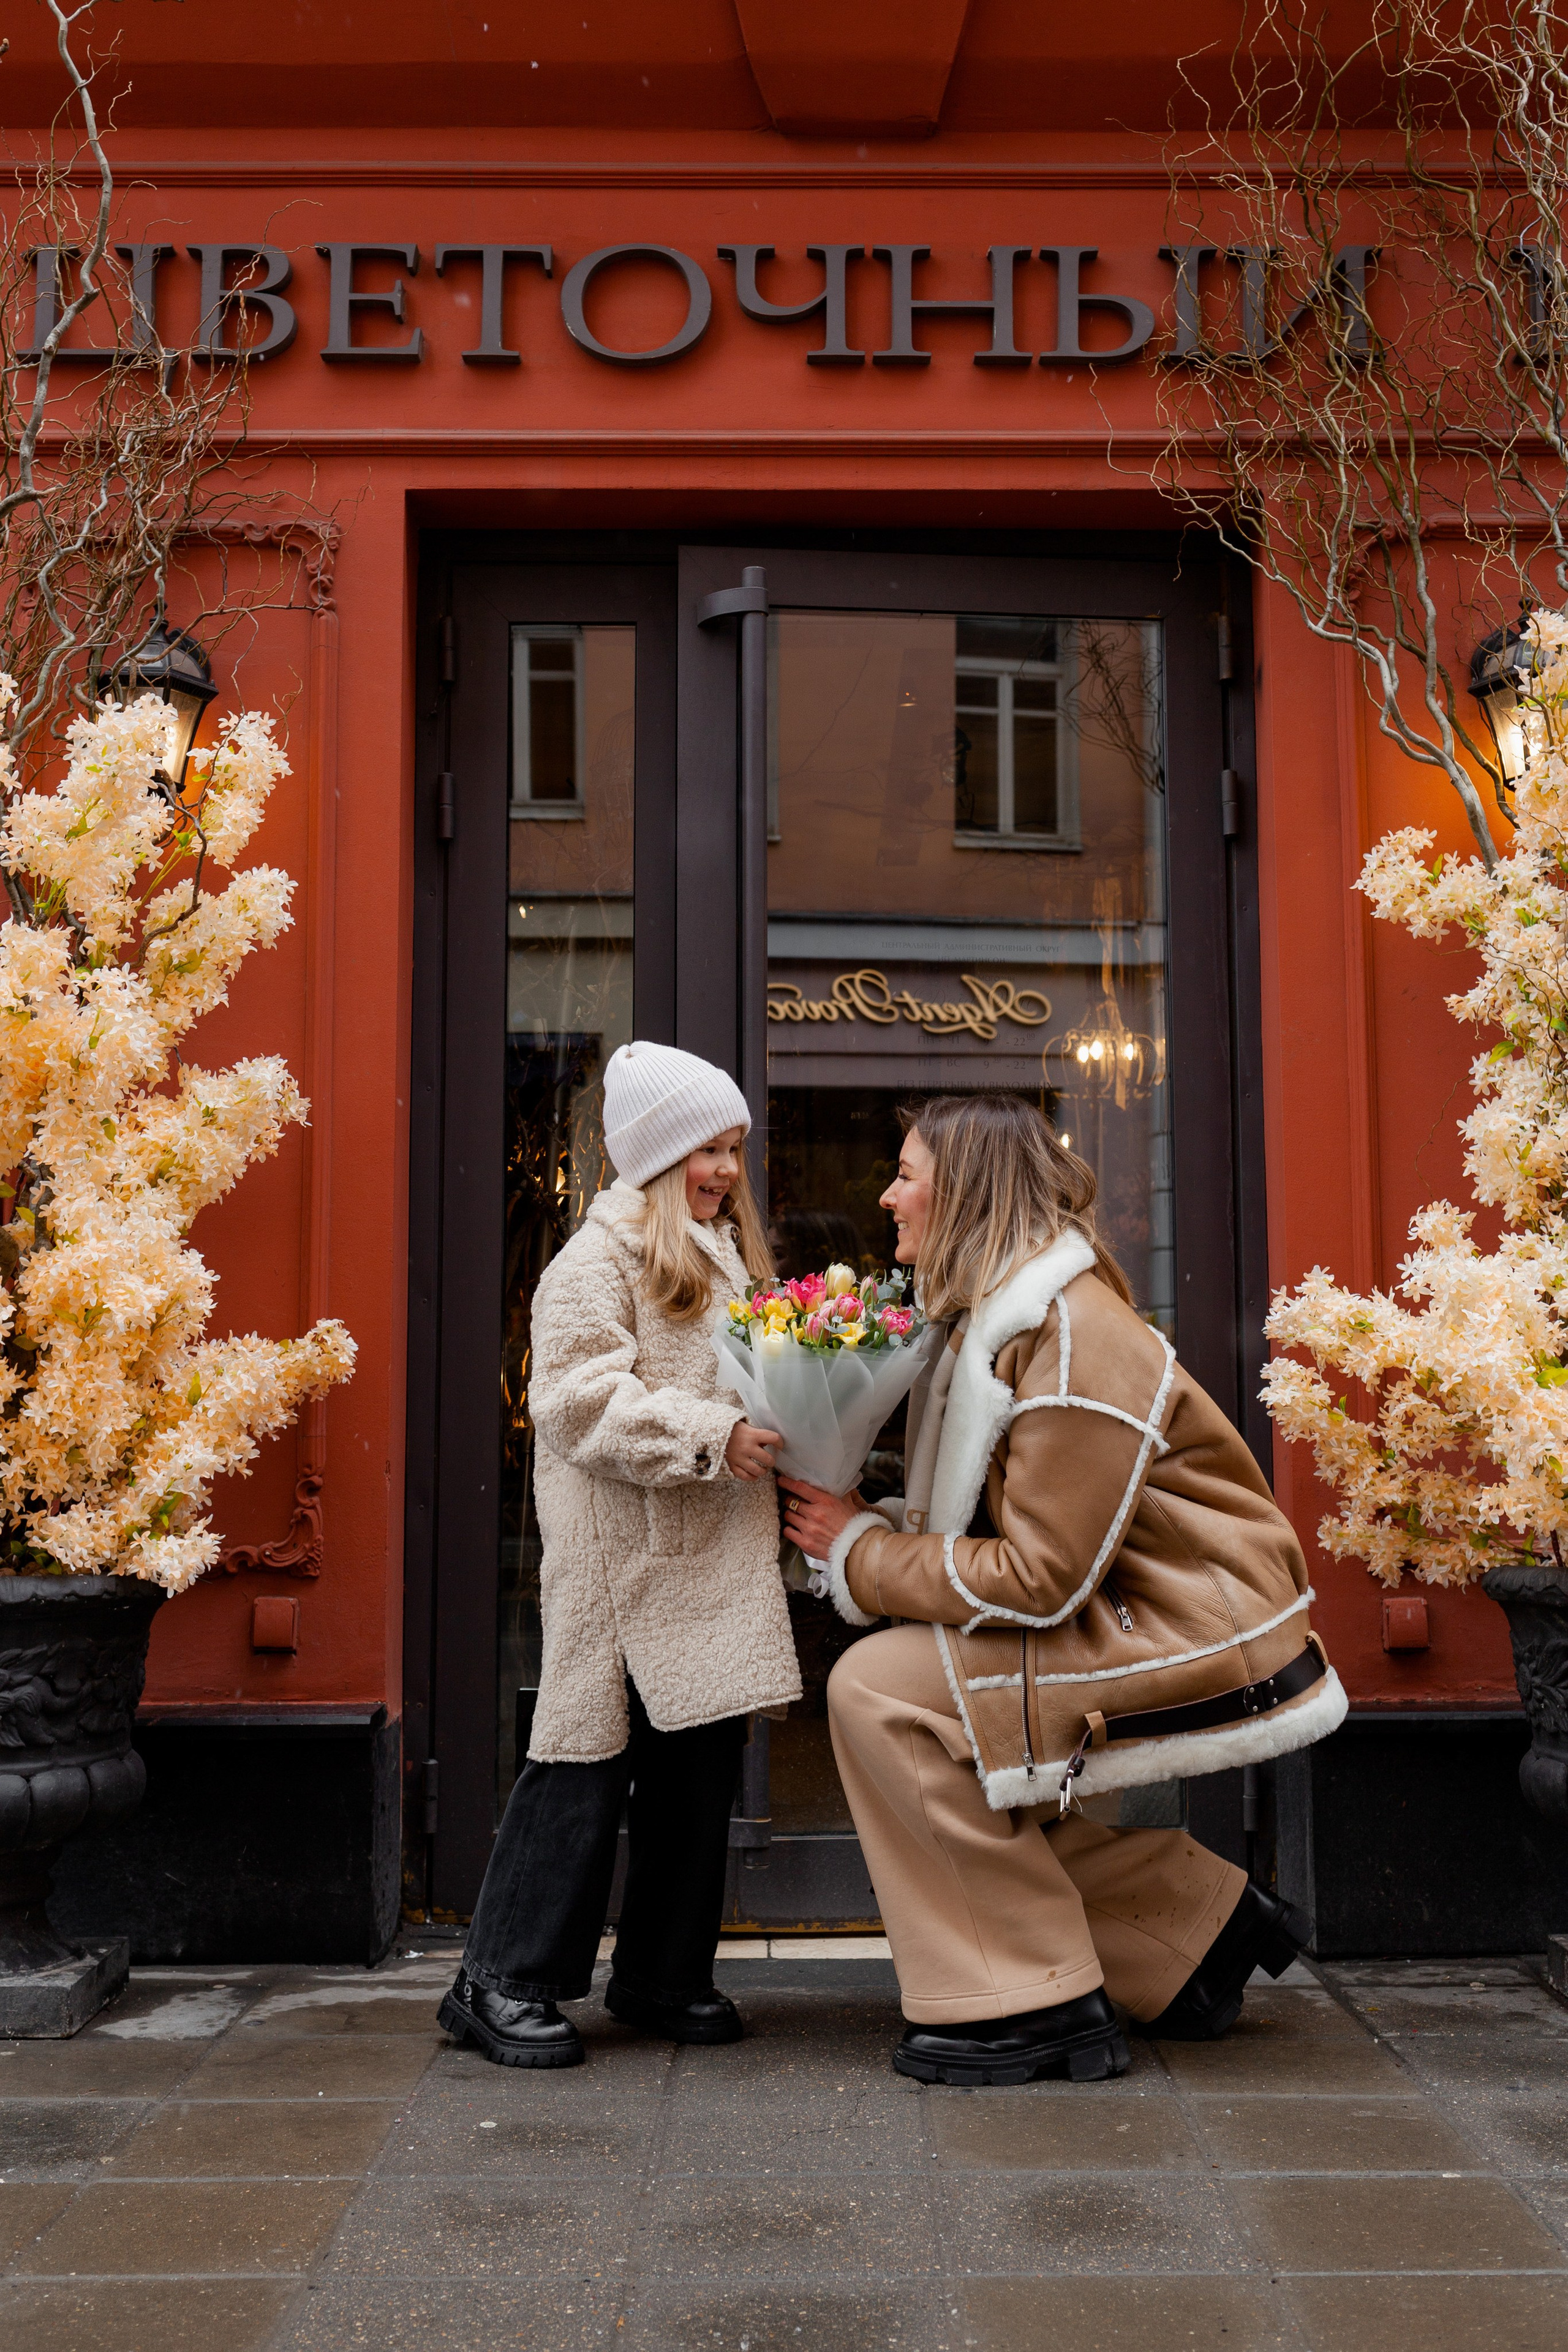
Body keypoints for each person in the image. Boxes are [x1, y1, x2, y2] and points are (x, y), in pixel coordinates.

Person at [781, 1094, 1346, 2089]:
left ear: (964, 1193)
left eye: (906, 1174)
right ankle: (1185, 1929)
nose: (887, 1196)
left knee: (880, 1692)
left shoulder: (1077, 1337)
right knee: (917, 1709)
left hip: (1191, 1628)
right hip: (1121, 1608)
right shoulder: (1005, 1326)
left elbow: (1040, 1579)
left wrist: (860, 1549)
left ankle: (1034, 2002)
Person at [440, 1041, 800, 2068]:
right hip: (620, 1558)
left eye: (735, 1147)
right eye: (706, 1148)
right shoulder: (592, 1264)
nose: (727, 1169)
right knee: (583, 1765)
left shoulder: (719, 1249)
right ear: (651, 1154)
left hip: (706, 1554)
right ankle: (497, 1980)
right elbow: (574, 1402)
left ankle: (662, 1974)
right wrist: (711, 1436)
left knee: (695, 1773)